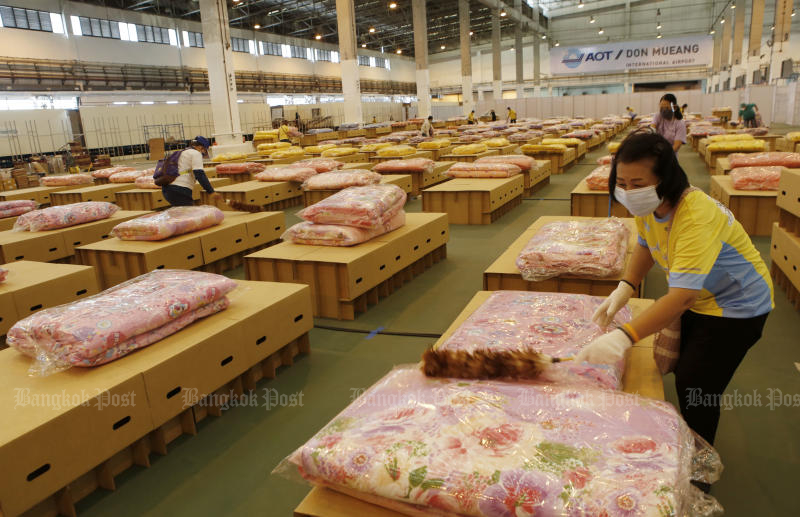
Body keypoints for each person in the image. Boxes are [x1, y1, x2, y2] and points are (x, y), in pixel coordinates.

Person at [577, 131, 773, 451]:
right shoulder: (652, 208)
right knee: (687, 368)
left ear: (665, 179)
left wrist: (623, 336)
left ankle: (700, 459)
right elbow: (645, 244)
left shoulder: (695, 215)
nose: (628, 192)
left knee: (697, 382)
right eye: (622, 183)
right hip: (703, 296)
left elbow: (682, 297)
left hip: (737, 305)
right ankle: (690, 436)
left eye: (637, 184)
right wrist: (625, 287)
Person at [163, 136, 222, 207]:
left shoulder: (182, 152)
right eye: (204, 150)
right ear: (201, 147)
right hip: (180, 189)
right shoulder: (196, 153)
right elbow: (199, 174)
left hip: (167, 189)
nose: (204, 153)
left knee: (182, 213)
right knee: (189, 214)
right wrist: (211, 191)